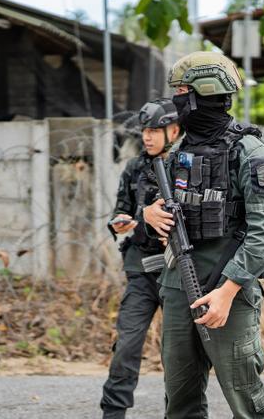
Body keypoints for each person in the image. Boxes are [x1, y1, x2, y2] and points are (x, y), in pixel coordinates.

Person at [143, 51, 264, 418]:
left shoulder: (248, 152)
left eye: (183, 90)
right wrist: (149, 212)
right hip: (178, 288)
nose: (177, 100)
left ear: (204, 92)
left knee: (245, 401)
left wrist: (229, 290)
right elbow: (160, 201)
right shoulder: (179, 151)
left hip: (227, 288)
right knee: (180, 400)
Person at [100, 98, 182, 419]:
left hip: (178, 273)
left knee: (177, 356)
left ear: (174, 130)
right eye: (144, 131)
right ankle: (113, 413)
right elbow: (121, 208)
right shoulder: (134, 167)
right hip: (141, 271)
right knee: (126, 347)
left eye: (155, 130)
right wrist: (124, 219)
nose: (147, 137)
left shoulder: (188, 166)